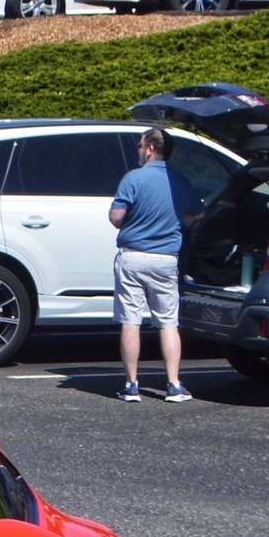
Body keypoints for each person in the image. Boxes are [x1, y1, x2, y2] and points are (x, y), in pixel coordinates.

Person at [108, 126, 190, 404]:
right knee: (168, 323)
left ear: (151, 149)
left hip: (132, 257)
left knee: (131, 321)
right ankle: (174, 385)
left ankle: (132, 385)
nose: (139, 151)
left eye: (140, 146)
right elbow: (197, 212)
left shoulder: (133, 179)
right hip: (166, 260)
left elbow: (116, 217)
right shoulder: (180, 181)